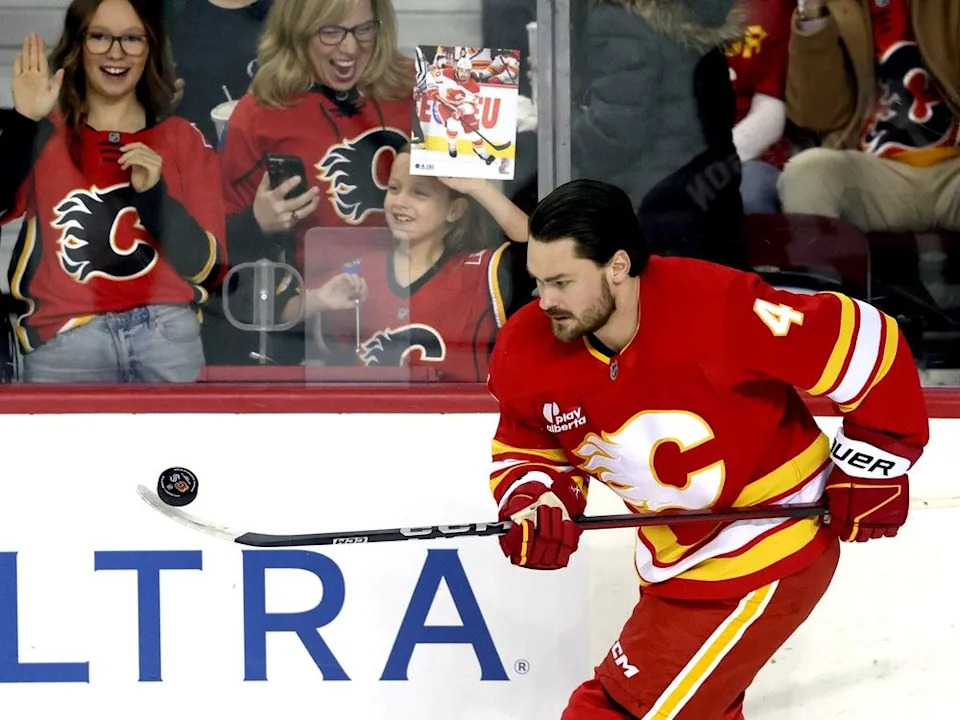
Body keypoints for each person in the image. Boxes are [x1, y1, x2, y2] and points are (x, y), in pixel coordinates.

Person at [486, 179, 929, 718]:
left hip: (773, 538)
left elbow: (867, 342)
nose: (544, 301)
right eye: (538, 282)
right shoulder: (531, 346)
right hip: (672, 554)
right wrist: (538, 501)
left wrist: (875, 460)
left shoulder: (715, 307)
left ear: (619, 266)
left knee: (616, 710)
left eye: (561, 282)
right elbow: (529, 443)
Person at [0, 0, 226, 383]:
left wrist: (153, 197)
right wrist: (25, 123)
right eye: (100, 37)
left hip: (165, 333)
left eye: (132, 39)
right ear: (77, 45)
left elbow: (209, 268)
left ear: (150, 48)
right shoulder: (45, 132)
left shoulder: (182, 140)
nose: (116, 52)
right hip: (67, 337)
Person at [211, 0, 413, 366]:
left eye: (364, 29)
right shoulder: (260, 113)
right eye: (331, 31)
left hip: (414, 306)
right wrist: (258, 223)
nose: (350, 48)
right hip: (310, 323)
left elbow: (470, 212)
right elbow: (215, 252)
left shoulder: (419, 86)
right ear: (299, 29)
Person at [294, 145, 531, 381]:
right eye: (394, 188)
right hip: (374, 414)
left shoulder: (481, 270)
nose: (400, 201)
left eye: (419, 193)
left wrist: (480, 188)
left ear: (455, 210)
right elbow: (277, 313)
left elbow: (537, 248)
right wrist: (318, 299)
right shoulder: (358, 270)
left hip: (461, 415)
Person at [569, 0, 745, 267]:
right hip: (705, 200)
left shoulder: (619, 19)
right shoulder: (693, 14)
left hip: (645, 210)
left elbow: (613, 133)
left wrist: (551, 131)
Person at [779, 0, 960, 232]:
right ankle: (822, 269)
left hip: (954, 167)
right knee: (806, 173)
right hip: (875, 171)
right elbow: (816, 116)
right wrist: (813, 13)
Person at [164, 0, 272, 147]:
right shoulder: (171, 12)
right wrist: (158, 105)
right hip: (195, 155)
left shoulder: (294, 11)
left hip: (274, 152)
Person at [725, 0, 794, 214]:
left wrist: (713, 164)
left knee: (748, 196)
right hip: (675, 152)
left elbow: (771, 114)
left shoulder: (776, 9)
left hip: (752, 157)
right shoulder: (667, 11)